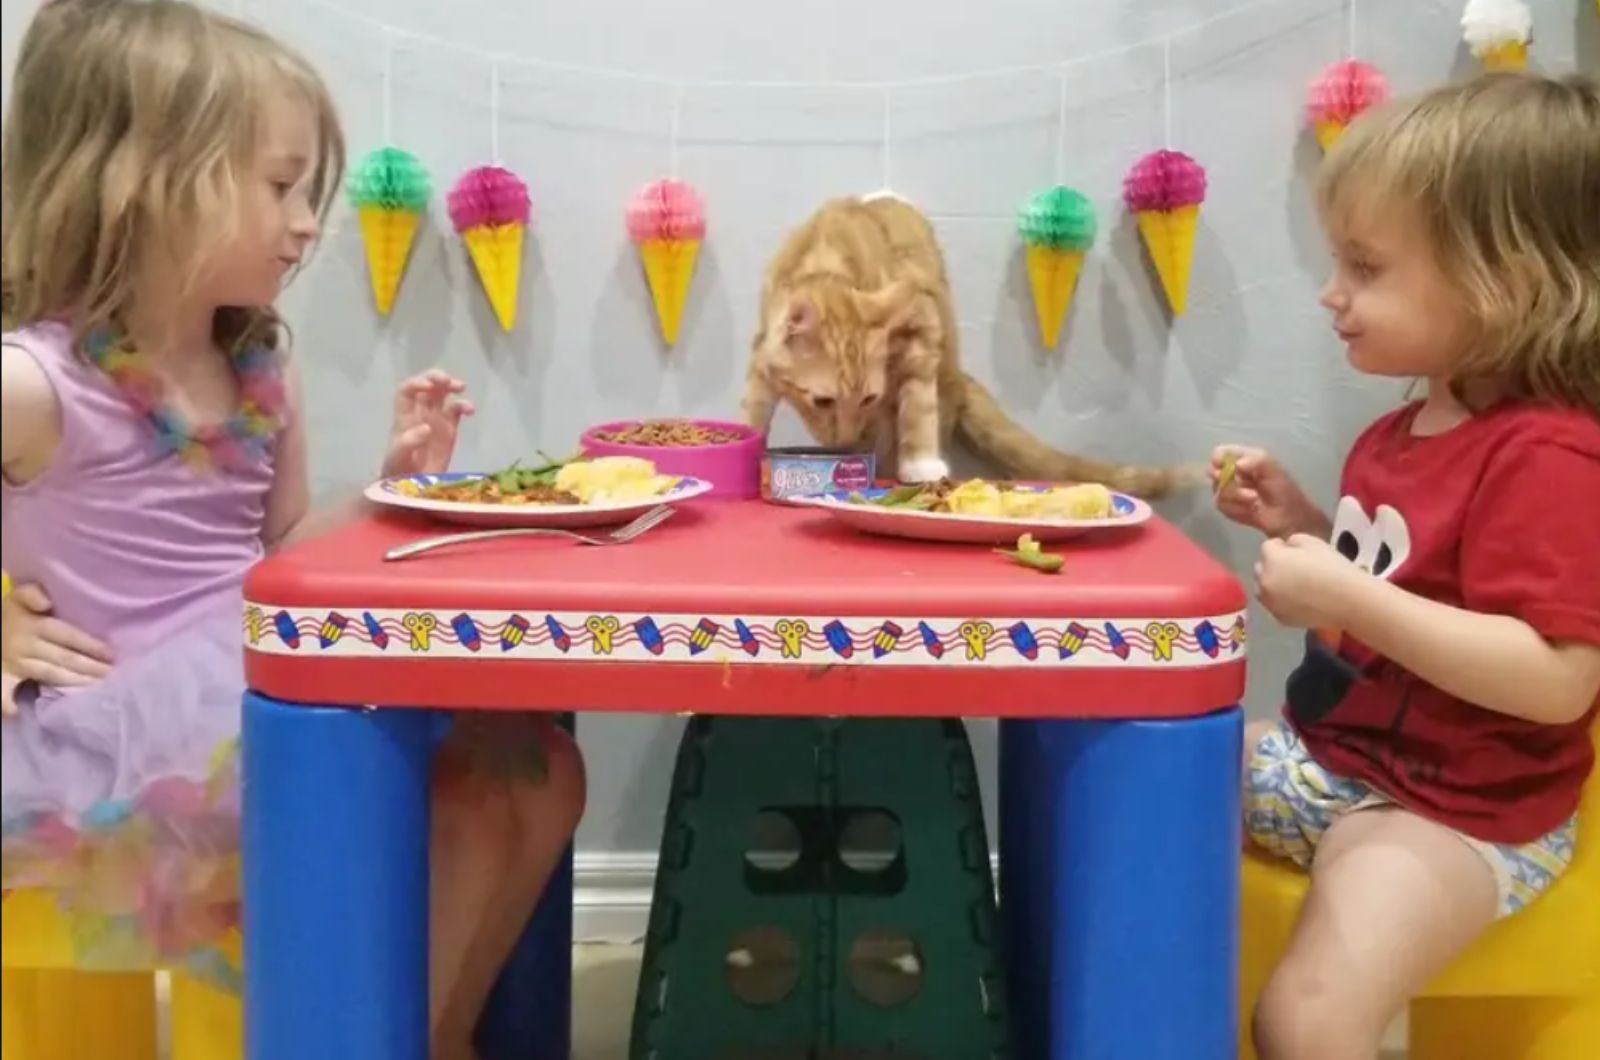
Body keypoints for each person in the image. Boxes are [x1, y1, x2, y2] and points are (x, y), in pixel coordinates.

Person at [0, 3, 583, 1057]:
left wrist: (394, 484)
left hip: (258, 667)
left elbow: (277, 551)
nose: (308, 220)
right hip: (124, 742)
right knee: (413, 800)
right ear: (145, 178)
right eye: (280, 186)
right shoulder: (35, 380)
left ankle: (426, 1036)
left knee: (538, 769)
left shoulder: (260, 359)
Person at [1212, 72, 1600, 1060]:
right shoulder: (1400, 432)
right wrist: (1302, 524)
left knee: (1305, 1017)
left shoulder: (1548, 455)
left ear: (1499, 283)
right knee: (1142, 783)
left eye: (1365, 267)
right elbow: (1385, 613)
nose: (1330, 293)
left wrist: (1341, 593)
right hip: (1336, 760)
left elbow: (1555, 679)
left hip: (1454, 809)